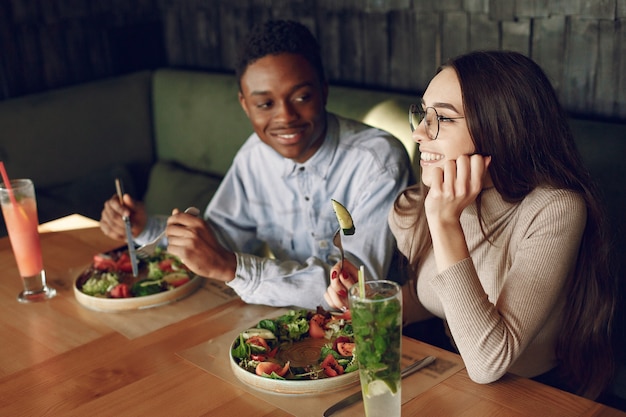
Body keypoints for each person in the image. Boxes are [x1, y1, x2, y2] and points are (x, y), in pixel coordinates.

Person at [324, 50, 617, 399]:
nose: (419, 133)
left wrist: (446, 223)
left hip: (535, 394)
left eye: (443, 119)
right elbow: (436, 299)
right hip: (451, 377)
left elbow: (488, 362)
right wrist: (375, 304)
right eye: (422, 114)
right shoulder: (414, 206)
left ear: (502, 128)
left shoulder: (555, 209)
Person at [99, 20, 413, 310]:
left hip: (385, 330)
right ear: (245, 105)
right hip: (290, 325)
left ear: (324, 90)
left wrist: (232, 268)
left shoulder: (378, 161)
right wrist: (144, 228)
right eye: (265, 104)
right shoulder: (254, 157)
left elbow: (356, 286)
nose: (286, 117)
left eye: (301, 97)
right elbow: (219, 240)